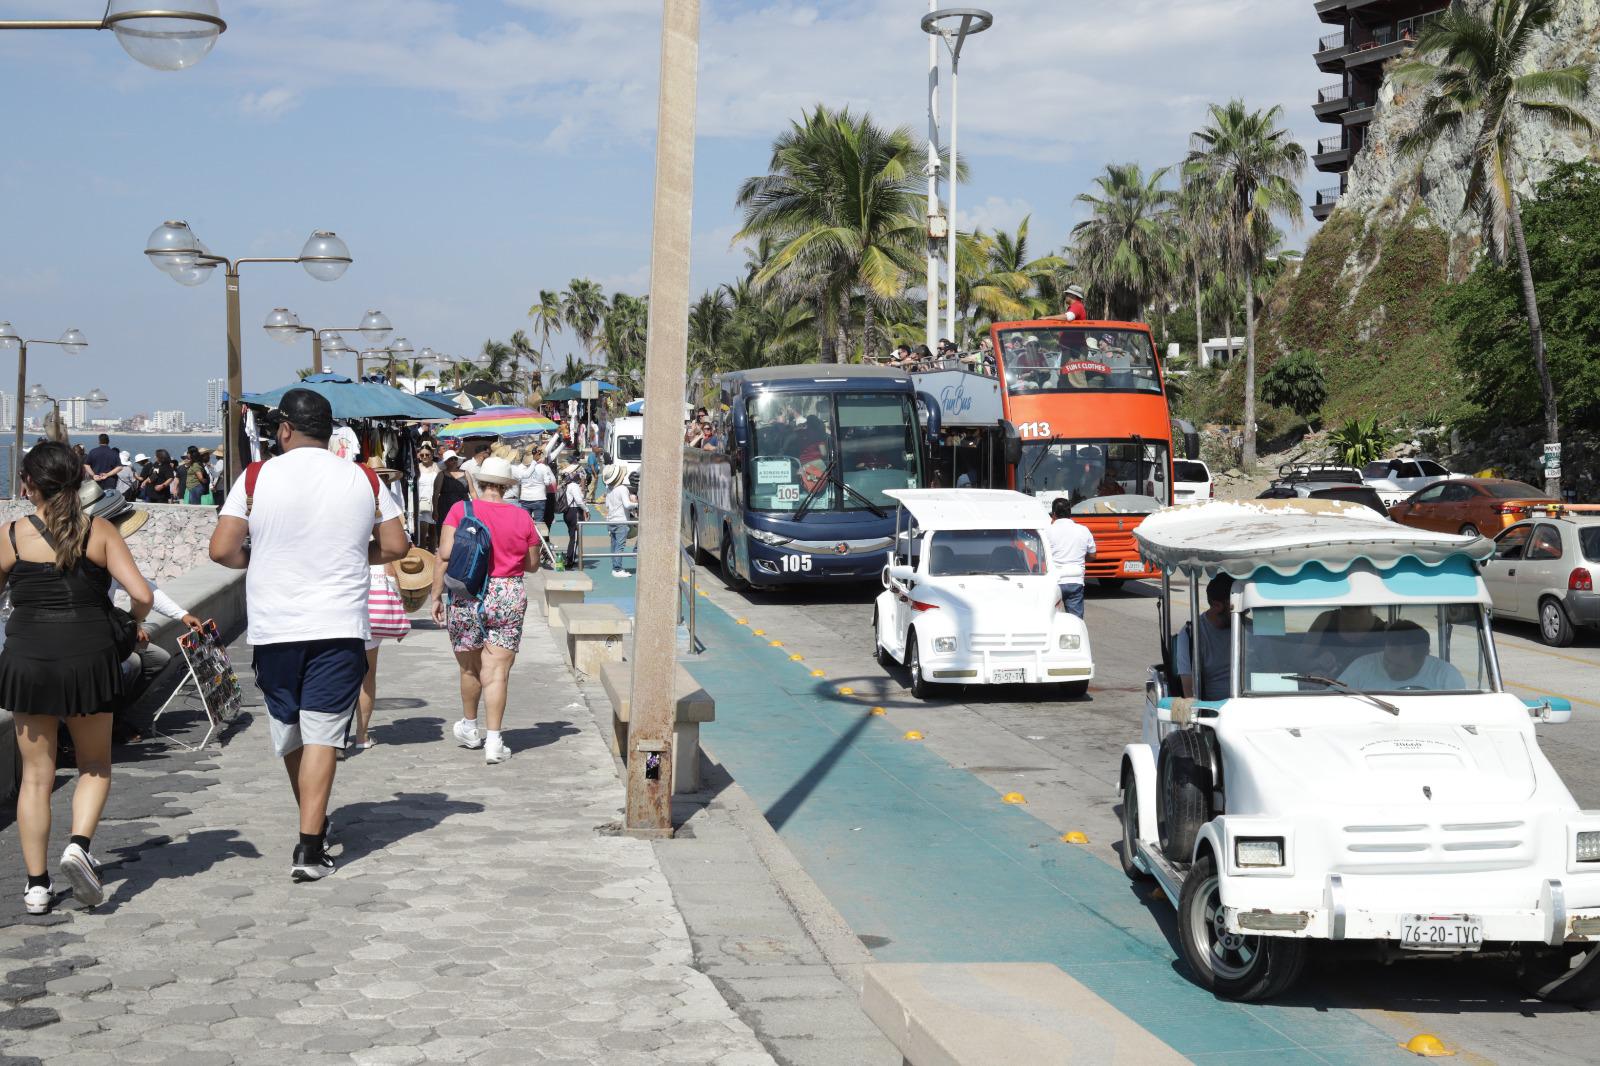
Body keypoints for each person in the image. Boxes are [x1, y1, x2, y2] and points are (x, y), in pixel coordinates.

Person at [209, 389, 409, 883]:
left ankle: (312, 830)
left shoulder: (255, 477)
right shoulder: (362, 477)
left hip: (275, 626)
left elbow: (222, 550)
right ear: (330, 431)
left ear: (282, 430)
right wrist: (347, 555)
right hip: (338, 623)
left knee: (292, 730)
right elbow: (397, 546)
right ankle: (309, 845)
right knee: (322, 731)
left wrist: (265, 560)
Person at [1, 442, 154, 915]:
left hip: (28, 658)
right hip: (88, 655)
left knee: (35, 777)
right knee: (93, 763)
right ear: (79, 480)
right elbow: (142, 594)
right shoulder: (100, 529)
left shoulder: (10, 535)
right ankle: (78, 846)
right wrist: (129, 624)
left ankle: (36, 886)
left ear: (28, 484)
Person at [430, 456, 541, 764]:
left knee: (469, 668)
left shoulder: (460, 510)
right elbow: (532, 565)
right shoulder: (521, 517)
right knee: (497, 672)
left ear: (478, 482)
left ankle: (468, 726)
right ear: (507, 487)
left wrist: (436, 595)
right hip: (507, 594)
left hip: (468, 593)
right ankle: (494, 741)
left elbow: (444, 555)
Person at [77, 484, 203, 742]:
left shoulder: (106, 553)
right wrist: (133, 622)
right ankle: (102, 726)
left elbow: (145, 589)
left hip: (101, 631)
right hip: (87, 637)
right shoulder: (84, 558)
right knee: (132, 662)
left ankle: (114, 717)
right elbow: (142, 594)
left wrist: (181, 614)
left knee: (156, 658)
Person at [1339, 621, 1466, 692]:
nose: (1391, 670)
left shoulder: (1446, 677)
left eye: (1400, 666)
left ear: (1423, 657)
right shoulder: (1362, 667)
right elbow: (1333, 701)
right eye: (1387, 661)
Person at [1172, 573, 1233, 700]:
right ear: (1217, 605)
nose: (1245, 610)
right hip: (1214, 710)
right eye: (1235, 605)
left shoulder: (1248, 629)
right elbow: (1189, 691)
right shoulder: (1191, 635)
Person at [1044, 498, 1097, 619]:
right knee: (1076, 620)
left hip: (1053, 581)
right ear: (1070, 514)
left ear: (1053, 514)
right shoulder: (1083, 530)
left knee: (1050, 618)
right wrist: (1081, 559)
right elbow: (1093, 555)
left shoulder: (1047, 531)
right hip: (1075, 580)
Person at [602, 463, 637, 579]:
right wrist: (637, 504)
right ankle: (618, 569)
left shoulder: (609, 489)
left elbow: (607, 505)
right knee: (620, 546)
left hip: (611, 520)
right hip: (621, 520)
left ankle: (615, 567)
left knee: (614, 544)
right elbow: (627, 505)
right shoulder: (622, 488)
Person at [560, 465, 589, 568]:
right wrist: (587, 510)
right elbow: (579, 501)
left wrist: (582, 481)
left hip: (568, 512)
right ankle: (569, 560)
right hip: (575, 512)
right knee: (575, 538)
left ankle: (571, 558)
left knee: (573, 536)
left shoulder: (567, 485)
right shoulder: (573, 486)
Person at [415, 444, 440, 551]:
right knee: (422, 533)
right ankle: (423, 557)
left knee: (433, 533)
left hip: (435, 503)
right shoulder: (416, 468)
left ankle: (431, 557)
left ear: (432, 455)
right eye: (422, 455)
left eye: (427, 455)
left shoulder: (437, 467)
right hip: (421, 503)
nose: (425, 457)